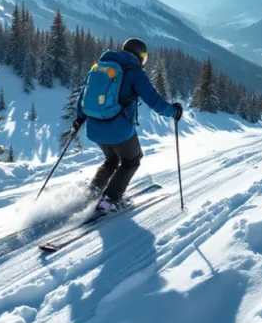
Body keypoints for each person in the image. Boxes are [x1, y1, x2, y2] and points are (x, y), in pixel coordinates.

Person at [71, 38, 183, 213]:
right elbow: (154, 101)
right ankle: (109, 199)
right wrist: (174, 112)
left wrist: (79, 119)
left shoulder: (100, 67)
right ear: (139, 55)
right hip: (118, 130)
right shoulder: (134, 73)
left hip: (93, 127)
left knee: (112, 160)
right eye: (144, 56)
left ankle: (92, 193)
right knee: (132, 160)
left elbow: (83, 96)